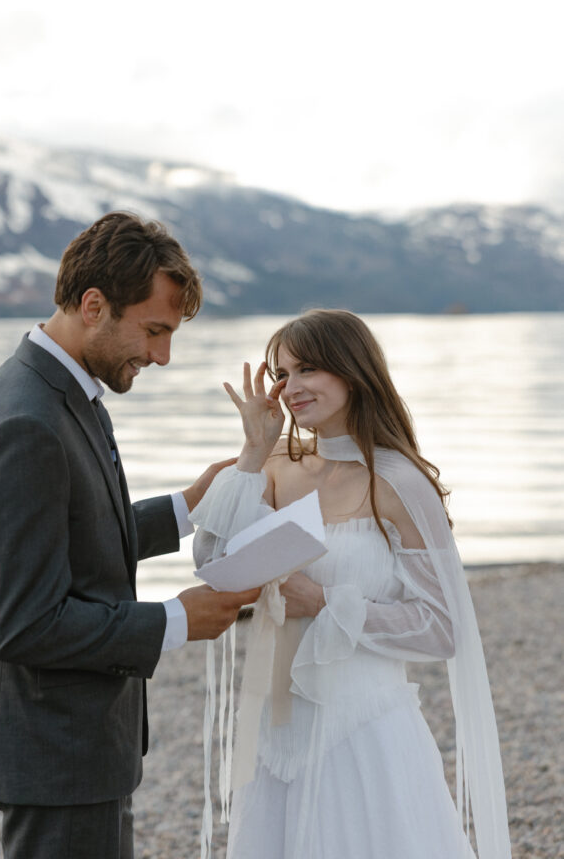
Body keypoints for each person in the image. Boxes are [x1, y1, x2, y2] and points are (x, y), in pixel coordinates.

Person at [0, 211, 260, 859]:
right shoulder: (24, 425)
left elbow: (71, 537)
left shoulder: (61, 390)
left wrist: (186, 508)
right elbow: (24, 622)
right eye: (154, 330)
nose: (162, 356)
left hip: (76, 747)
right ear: (93, 305)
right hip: (53, 751)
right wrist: (174, 619)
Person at [192, 309, 511, 859]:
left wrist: (324, 601)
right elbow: (211, 557)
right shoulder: (272, 466)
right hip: (274, 727)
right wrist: (250, 450)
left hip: (362, 730)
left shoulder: (399, 481)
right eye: (282, 374)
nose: (290, 387)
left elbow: (443, 628)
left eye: (308, 369)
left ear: (353, 370)